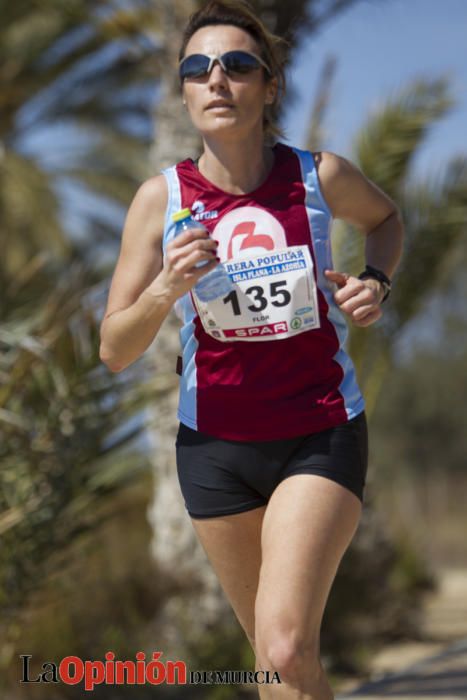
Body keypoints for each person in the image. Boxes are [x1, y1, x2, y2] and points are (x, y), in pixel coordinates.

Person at [99, 1, 404, 697]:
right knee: (276, 665)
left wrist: (375, 282)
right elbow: (113, 349)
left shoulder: (316, 177)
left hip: (317, 432)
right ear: (182, 89)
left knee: (286, 643)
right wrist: (164, 288)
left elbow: (385, 219)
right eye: (197, 68)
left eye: (237, 65)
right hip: (214, 451)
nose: (216, 80)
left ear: (268, 86)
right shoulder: (161, 199)